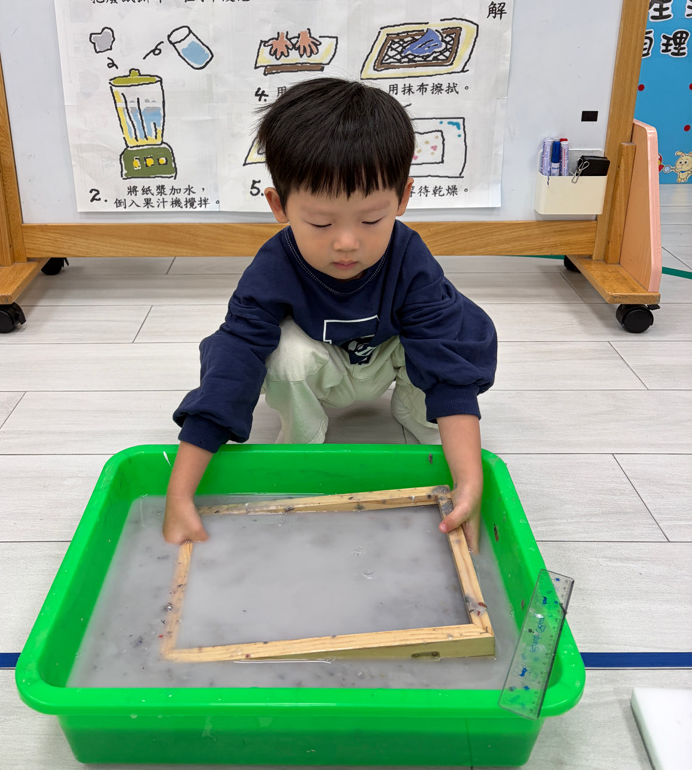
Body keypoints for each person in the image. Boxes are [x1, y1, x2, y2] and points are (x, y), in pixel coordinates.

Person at [163, 78, 497, 552]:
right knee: (279, 353)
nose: (346, 243)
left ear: (403, 198)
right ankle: (304, 439)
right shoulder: (273, 267)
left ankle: (418, 416)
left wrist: (468, 480)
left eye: (371, 219)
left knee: (454, 323)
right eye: (321, 223)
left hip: (390, 360)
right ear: (279, 205)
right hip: (325, 368)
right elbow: (233, 362)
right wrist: (180, 493)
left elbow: (448, 357)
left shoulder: (411, 258)